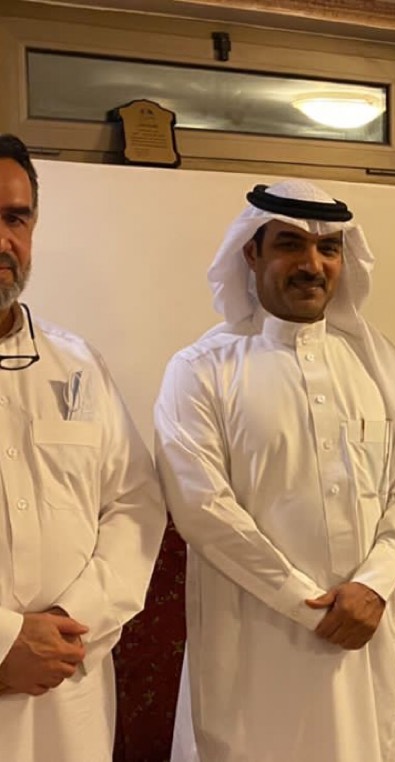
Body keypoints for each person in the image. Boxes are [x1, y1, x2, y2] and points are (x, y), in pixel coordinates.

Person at [154, 180, 395, 762]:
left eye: (329, 248)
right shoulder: (201, 371)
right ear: (251, 253)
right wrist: (307, 605)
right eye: (290, 244)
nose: (313, 264)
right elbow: (203, 510)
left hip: (363, 642)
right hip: (253, 650)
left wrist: (373, 584)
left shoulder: (379, 365)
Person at [0, 133, 165, 761]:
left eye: (16, 218)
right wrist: (5, 643)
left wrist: (73, 620)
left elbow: (134, 503)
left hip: (69, 689)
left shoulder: (77, 364)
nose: (3, 240)